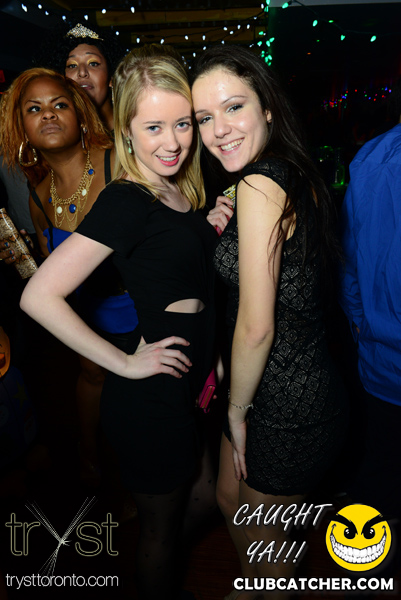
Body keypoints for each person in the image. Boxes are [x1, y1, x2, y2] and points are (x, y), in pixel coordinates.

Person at [20, 53, 216, 600]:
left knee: (203, 494)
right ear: (126, 130)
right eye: (153, 127)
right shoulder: (127, 199)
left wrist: (208, 227)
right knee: (159, 532)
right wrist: (125, 363)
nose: (172, 142)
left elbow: (175, 262)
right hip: (149, 398)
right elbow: (39, 296)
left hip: (187, 382)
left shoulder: (179, 189)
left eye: (182, 123)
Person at [191, 46, 348, 600]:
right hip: (272, 386)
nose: (218, 130)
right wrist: (220, 229)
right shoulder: (277, 175)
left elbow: (257, 326)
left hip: (289, 402)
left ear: (268, 108)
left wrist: (235, 411)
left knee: (265, 546)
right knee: (228, 500)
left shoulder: (261, 183)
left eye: (233, 107)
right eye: (204, 117)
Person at [0, 68, 138, 484]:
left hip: (145, 309)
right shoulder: (38, 196)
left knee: (142, 401)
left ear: (79, 114)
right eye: (34, 109)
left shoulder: (118, 162)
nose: (48, 114)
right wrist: (20, 257)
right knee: (92, 376)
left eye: (59, 104)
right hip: (89, 313)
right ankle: (90, 454)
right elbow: (54, 271)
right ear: (22, 128)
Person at [338, 80, 401, 525]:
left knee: (381, 474)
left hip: (380, 360)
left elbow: (346, 263)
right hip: (383, 359)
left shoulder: (368, 158)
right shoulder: (369, 159)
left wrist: (363, 324)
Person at [34, 21, 123, 133]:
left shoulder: (134, 130)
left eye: (93, 63)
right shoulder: (60, 136)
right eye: (72, 65)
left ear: (111, 77)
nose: (82, 72)